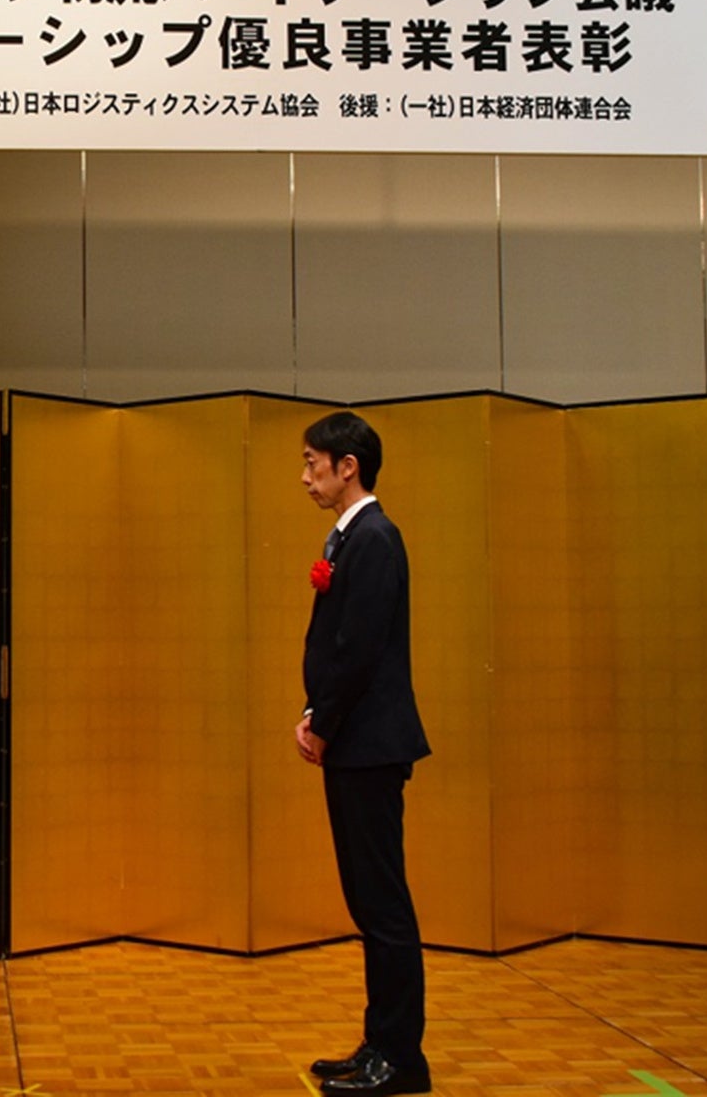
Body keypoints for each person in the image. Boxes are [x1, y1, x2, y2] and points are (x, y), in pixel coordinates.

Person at [294, 410, 438, 1095]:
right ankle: (379, 1041)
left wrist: (323, 721)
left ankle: (401, 1058)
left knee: (382, 905)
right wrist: (314, 712)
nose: (305, 477)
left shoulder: (375, 537)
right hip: (351, 741)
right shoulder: (351, 537)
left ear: (347, 466)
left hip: (369, 745)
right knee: (368, 901)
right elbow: (338, 647)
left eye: (311, 463)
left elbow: (359, 650)